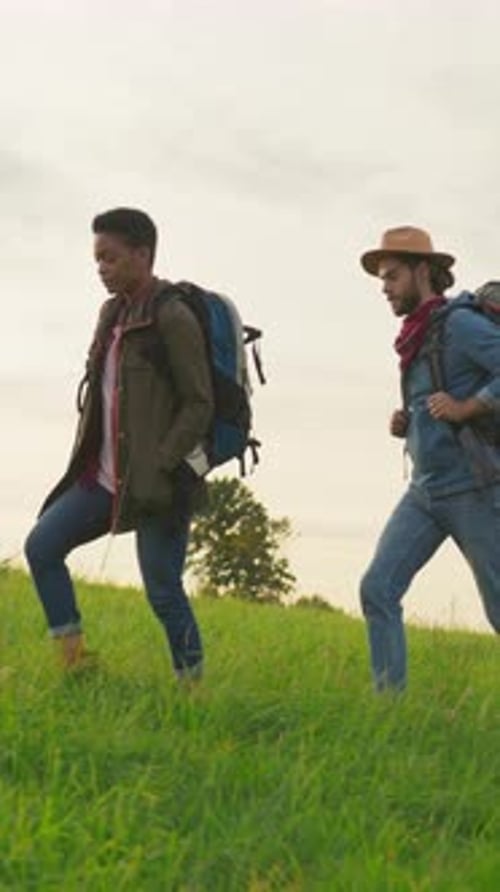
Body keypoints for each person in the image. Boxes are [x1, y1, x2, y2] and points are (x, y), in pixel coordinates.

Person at [25, 208, 213, 678]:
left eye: (110, 258)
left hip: (159, 483)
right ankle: (75, 666)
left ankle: (193, 690)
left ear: (142, 255)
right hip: (102, 478)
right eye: (97, 260)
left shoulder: (172, 316)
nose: (102, 269)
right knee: (42, 547)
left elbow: (198, 404)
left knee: (164, 591)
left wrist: (162, 462)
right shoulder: (111, 314)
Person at [359, 226, 500, 692]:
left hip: (475, 489)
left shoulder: (458, 324)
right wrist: (410, 421)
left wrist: (470, 406)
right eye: (382, 278)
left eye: (392, 275)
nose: (384, 288)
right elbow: (437, 394)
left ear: (423, 271)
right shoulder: (416, 335)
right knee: (377, 589)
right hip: (425, 490)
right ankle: (389, 712)